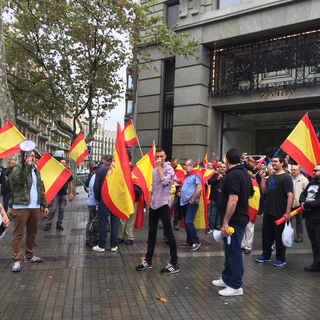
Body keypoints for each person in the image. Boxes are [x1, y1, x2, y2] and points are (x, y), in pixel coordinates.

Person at [212, 148, 253, 297]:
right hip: (237, 218)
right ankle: (227, 278)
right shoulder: (245, 174)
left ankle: (236, 285)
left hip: (234, 221)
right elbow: (249, 194)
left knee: (234, 251)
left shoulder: (233, 175)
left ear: (227, 160)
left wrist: (225, 222)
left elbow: (234, 199)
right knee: (228, 250)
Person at [136, 148, 179, 274]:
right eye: (157, 157)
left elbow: (165, 182)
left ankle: (174, 262)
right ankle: (148, 260)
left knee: (169, 233)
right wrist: (150, 205)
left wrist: (160, 167)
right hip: (154, 205)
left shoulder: (169, 169)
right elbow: (154, 188)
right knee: (151, 234)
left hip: (164, 204)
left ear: (165, 156)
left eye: (161, 156)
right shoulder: (153, 171)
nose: (159, 159)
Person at [6, 151, 48, 272]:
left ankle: (29, 255)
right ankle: (16, 260)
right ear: (24, 157)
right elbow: (15, 181)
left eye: (34, 156)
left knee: (32, 232)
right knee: (18, 234)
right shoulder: (17, 168)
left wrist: (44, 205)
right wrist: (26, 167)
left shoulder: (36, 170)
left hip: (35, 206)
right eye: (30, 156)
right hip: (21, 206)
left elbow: (40, 188)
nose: (32, 158)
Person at [256, 156, 293, 267]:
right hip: (268, 211)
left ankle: (281, 258)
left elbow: (290, 195)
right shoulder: (271, 176)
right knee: (267, 235)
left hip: (280, 212)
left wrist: (287, 212)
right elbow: (264, 191)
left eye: (276, 161)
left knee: (279, 237)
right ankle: (266, 255)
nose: (273, 163)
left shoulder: (286, 177)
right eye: (272, 161)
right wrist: (263, 178)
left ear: (282, 163)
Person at [93, 155, 119, 252]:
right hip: (115, 199)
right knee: (115, 222)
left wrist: (98, 198)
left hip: (104, 199)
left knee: (103, 222)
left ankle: (102, 245)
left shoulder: (100, 170)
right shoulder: (117, 171)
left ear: (104, 161)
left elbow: (96, 187)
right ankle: (113, 245)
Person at [300, 164, 320, 272]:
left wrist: (307, 205)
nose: (313, 172)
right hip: (309, 218)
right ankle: (316, 263)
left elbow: (318, 202)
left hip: (318, 218)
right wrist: (302, 202)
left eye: (316, 170)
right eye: (313, 170)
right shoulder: (311, 182)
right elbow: (303, 194)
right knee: (314, 242)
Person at [179, 159, 202, 251]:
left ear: (192, 165)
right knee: (186, 222)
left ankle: (196, 241)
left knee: (188, 222)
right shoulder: (187, 176)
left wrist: (193, 199)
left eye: (186, 165)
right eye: (185, 165)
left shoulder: (196, 174)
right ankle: (189, 241)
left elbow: (199, 187)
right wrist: (179, 192)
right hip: (185, 201)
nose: (185, 166)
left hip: (191, 202)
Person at [44, 158, 73, 231]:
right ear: (59, 163)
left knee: (62, 209)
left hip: (63, 194)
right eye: (62, 162)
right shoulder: (55, 172)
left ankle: (59, 223)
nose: (64, 164)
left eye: (65, 163)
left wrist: (71, 193)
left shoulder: (67, 172)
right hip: (55, 193)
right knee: (52, 209)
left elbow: (70, 183)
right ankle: (48, 224)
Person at [118, 165, 141, 245]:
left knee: (130, 221)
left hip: (133, 203)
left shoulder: (135, 180)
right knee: (122, 220)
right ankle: (120, 236)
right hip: (124, 202)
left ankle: (129, 237)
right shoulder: (123, 179)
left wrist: (129, 184)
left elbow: (138, 191)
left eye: (131, 170)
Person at [206, 162, 226, 233]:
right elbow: (209, 182)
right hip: (214, 197)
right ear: (219, 168)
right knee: (213, 213)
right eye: (221, 167)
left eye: (224, 167)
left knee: (219, 213)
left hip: (222, 199)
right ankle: (211, 227)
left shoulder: (227, 176)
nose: (222, 168)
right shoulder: (215, 175)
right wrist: (216, 179)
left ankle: (216, 226)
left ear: (225, 168)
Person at [291, 164, 308, 242]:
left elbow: (307, 192)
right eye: (292, 169)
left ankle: (299, 236)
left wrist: (303, 202)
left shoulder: (304, 180)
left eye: (294, 170)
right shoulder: (288, 178)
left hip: (299, 205)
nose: (293, 171)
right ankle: (288, 236)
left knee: (299, 221)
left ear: (299, 171)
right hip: (289, 204)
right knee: (288, 221)